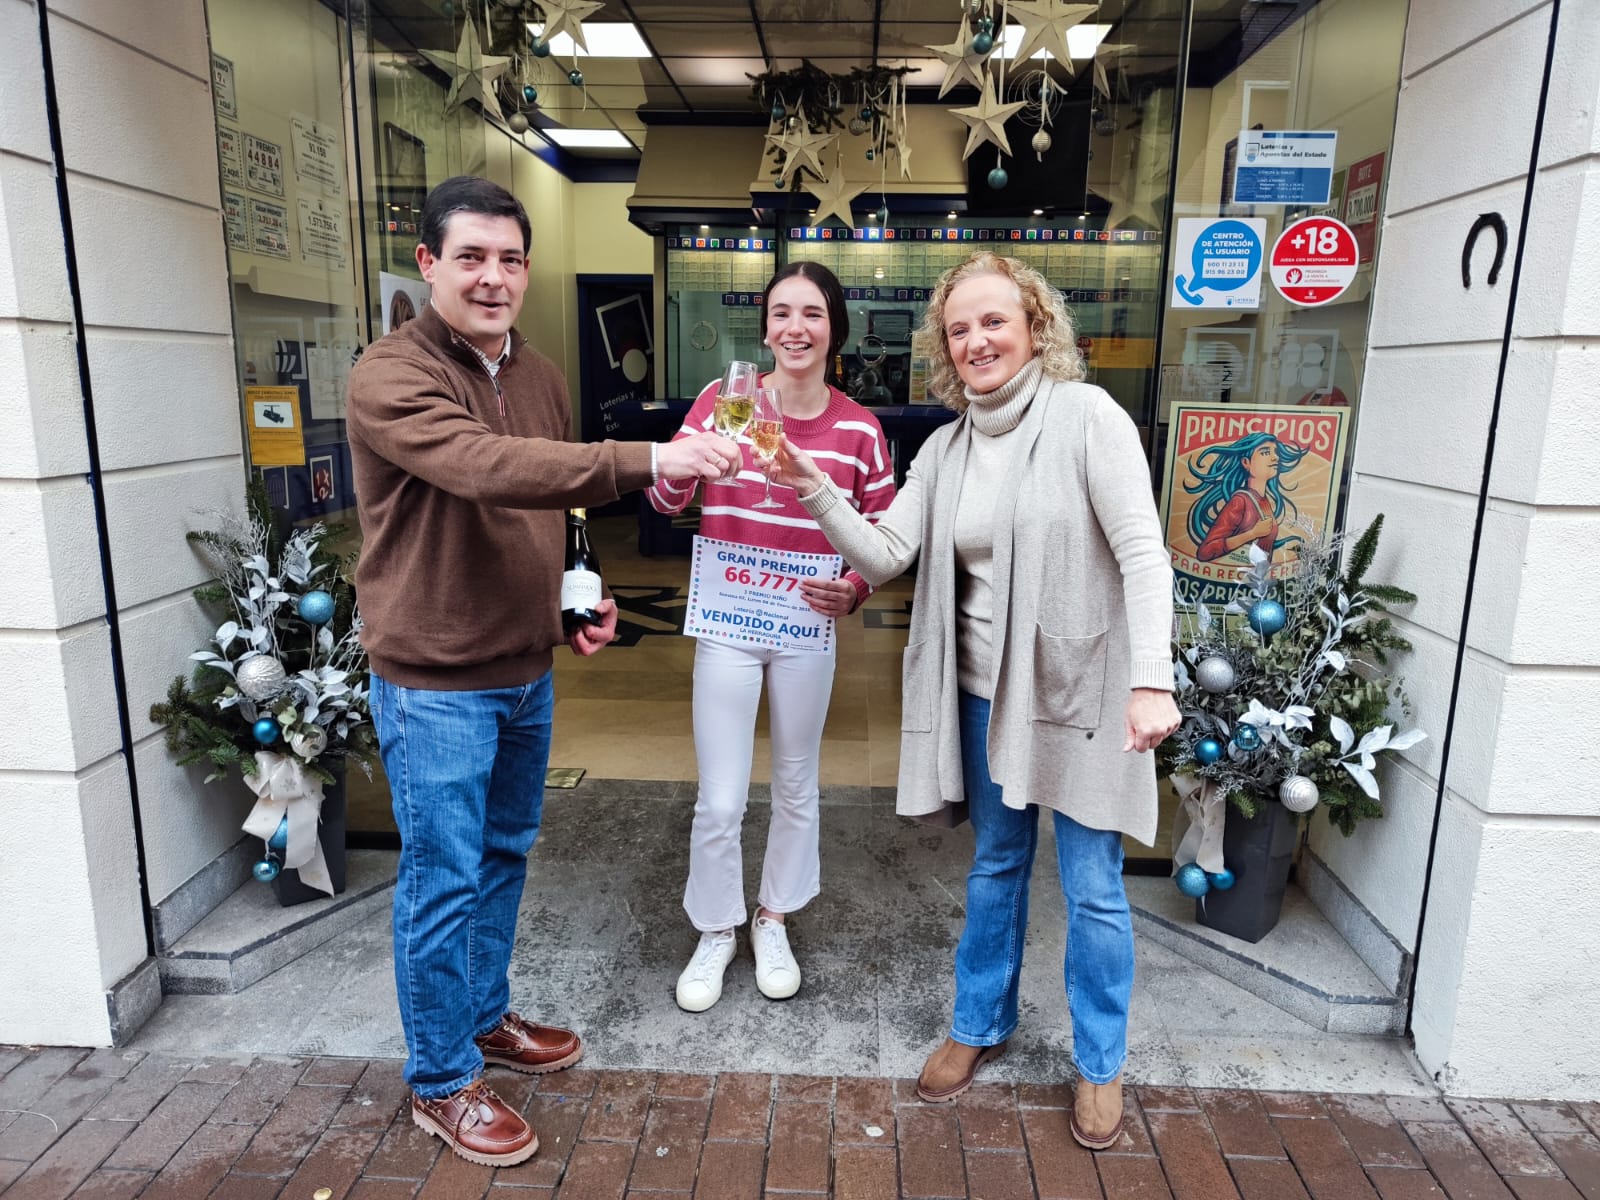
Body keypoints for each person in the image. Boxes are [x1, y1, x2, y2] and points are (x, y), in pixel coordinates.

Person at [346, 176, 740, 1167]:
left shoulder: (543, 373)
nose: (493, 277)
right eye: (470, 257)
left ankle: (482, 1022)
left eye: (510, 258)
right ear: (429, 263)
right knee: (441, 880)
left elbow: (559, 512)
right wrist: (655, 458)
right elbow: (489, 467)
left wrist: (580, 593)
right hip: (433, 679)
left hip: (523, 669)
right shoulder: (389, 375)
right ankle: (439, 1081)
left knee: (505, 852)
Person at [764, 251, 1179, 1150]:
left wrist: (1154, 679)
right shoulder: (946, 448)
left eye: (994, 321)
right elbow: (883, 554)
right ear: (944, 349)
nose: (976, 340)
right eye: (959, 329)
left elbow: (1145, 555)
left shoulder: (1085, 418)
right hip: (983, 696)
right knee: (996, 866)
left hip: (1083, 692)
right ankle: (978, 1023)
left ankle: (1099, 1064)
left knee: (1094, 886)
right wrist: (813, 488)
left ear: (1036, 326)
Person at [648, 262, 895, 1013]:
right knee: (720, 799)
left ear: (834, 330)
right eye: (781, 313)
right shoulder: (722, 403)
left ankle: (774, 917)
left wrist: (853, 589)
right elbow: (664, 500)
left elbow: (885, 535)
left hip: (802, 626)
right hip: (727, 620)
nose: (795, 327)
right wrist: (688, 467)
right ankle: (717, 929)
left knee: (795, 783)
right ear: (763, 328)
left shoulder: (859, 429)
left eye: (812, 314)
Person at [1187, 432, 1307, 562]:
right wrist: (1252, 534)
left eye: (1275, 452)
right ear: (1246, 462)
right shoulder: (1240, 501)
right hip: (1235, 578)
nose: (1275, 458)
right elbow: (1205, 552)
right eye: (1265, 452)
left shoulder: (1263, 500)